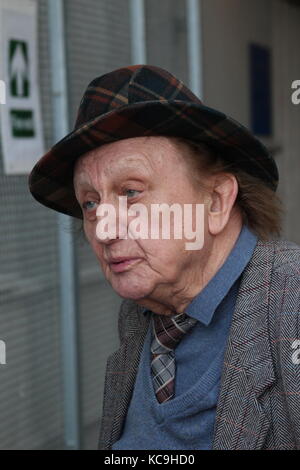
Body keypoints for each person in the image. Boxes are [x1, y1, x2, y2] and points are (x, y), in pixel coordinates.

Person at [28, 65, 300, 450]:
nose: (104, 230)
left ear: (216, 201)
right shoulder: (144, 312)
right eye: (90, 202)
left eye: (131, 192)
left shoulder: (291, 306)